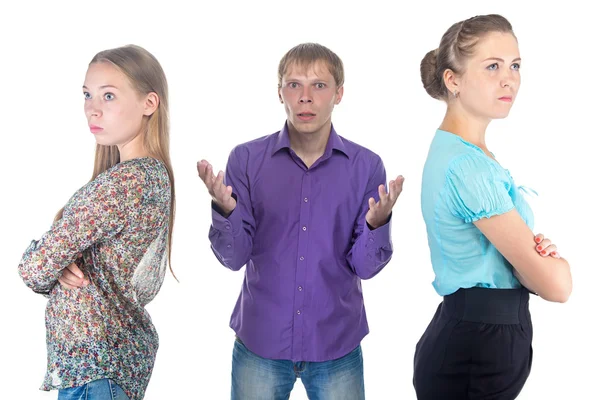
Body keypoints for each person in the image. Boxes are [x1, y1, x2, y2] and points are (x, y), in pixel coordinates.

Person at [197, 42, 404, 399]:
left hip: (336, 345)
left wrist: (377, 223)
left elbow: (365, 268)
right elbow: (233, 259)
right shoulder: (245, 159)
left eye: (318, 85)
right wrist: (226, 210)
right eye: (294, 84)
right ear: (280, 93)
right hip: (260, 341)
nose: (305, 97)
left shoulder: (367, 166)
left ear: (339, 93)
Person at [413, 14, 572, 399]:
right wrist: (552, 265)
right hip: (475, 350)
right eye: (492, 67)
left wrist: (530, 260)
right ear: (453, 80)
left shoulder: (469, 153)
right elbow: (557, 287)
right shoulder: (468, 166)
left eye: (515, 65)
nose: (509, 79)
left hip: (478, 341)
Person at [18, 44, 175, 400]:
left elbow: (33, 268)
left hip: (96, 372)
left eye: (109, 96)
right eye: (87, 95)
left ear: (149, 104)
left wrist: (49, 260)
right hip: (102, 369)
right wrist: (58, 264)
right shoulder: (150, 177)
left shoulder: (126, 183)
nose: (93, 108)